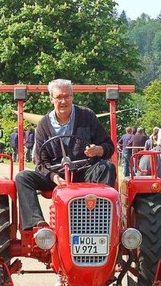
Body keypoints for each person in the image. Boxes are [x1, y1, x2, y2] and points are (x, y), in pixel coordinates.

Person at [15, 79, 116, 231]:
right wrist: (54, 177)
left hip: (84, 172)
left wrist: (98, 150)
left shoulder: (87, 116)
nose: (63, 101)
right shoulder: (44, 124)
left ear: (72, 97)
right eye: (59, 97)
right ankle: (37, 224)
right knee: (22, 177)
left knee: (106, 167)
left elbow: (109, 146)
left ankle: (97, 221)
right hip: (57, 176)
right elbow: (40, 162)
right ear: (51, 99)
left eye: (67, 96)